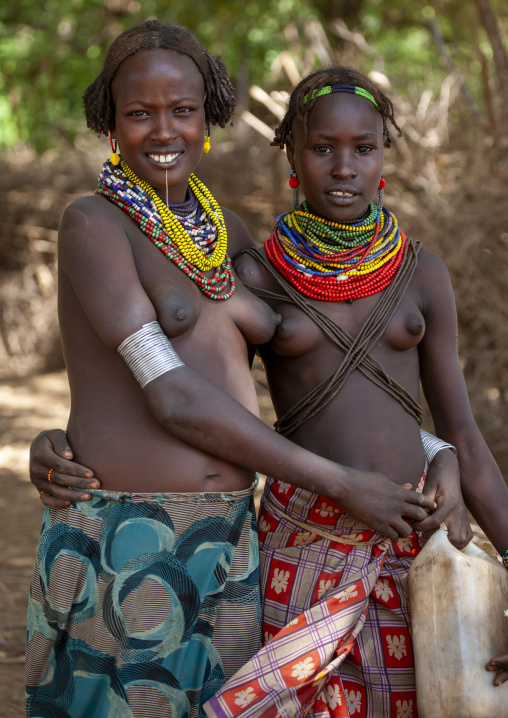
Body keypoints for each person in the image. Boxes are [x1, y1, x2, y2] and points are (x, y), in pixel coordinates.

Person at [25, 24, 445, 718]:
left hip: (232, 544)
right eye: (139, 113)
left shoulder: (231, 237)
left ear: (209, 115)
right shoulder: (94, 225)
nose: (164, 130)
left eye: (182, 110)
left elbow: (329, 380)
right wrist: (341, 482)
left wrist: (439, 453)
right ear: (109, 123)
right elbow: (174, 399)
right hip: (128, 535)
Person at [200, 69, 508, 718]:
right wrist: (62, 441)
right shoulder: (258, 275)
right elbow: (209, 411)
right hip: (301, 546)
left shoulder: (420, 272)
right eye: (322, 149)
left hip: (414, 553)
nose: (344, 167)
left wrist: (444, 460)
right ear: (290, 155)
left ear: (384, 157)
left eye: (363, 149)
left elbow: (464, 434)